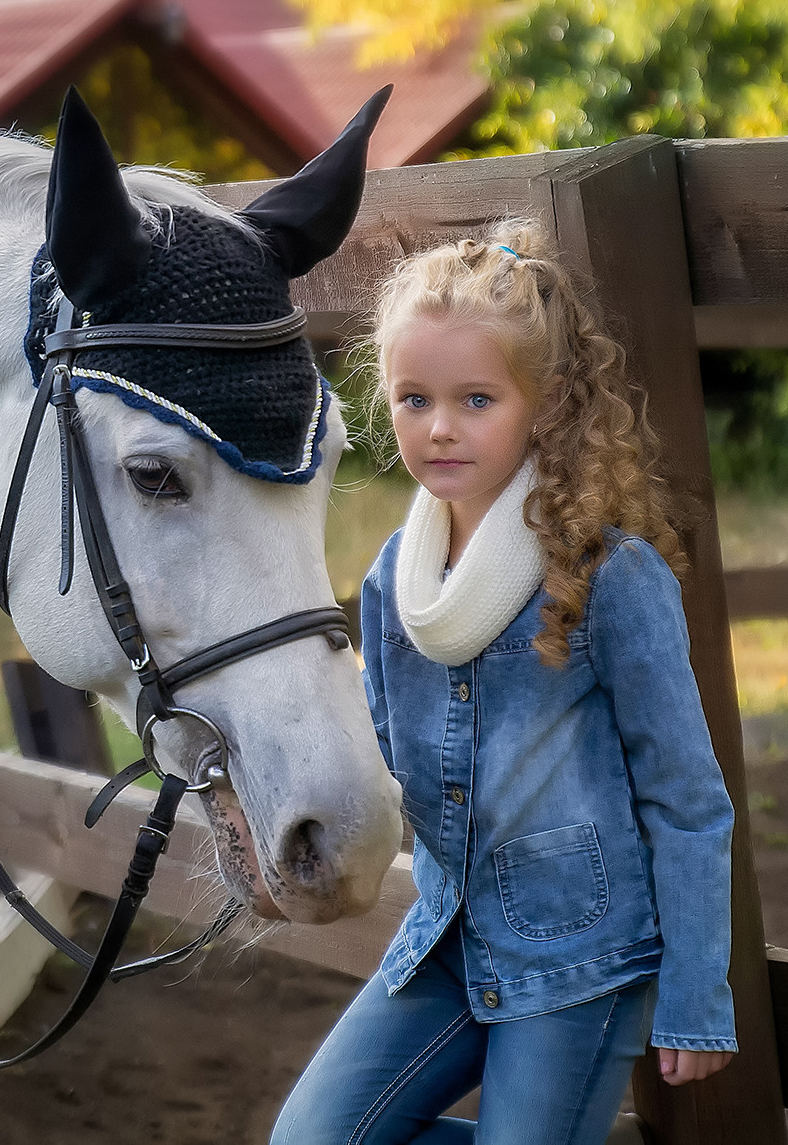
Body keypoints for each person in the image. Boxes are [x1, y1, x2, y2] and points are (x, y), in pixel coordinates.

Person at [272, 222, 738, 1144]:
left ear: (548, 404)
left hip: (579, 958)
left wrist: (696, 992)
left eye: (475, 399)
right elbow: (387, 766)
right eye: (414, 399)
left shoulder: (610, 574)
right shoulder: (393, 581)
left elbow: (688, 797)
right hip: (448, 941)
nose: (438, 427)